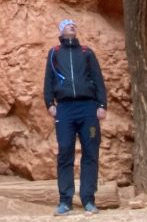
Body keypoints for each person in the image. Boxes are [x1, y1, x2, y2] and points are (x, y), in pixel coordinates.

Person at [44, 18, 107, 216]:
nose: (71, 26)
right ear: (61, 32)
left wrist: (102, 104)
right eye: (66, 25)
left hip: (88, 108)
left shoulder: (86, 52)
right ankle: (65, 201)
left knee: (90, 152)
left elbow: (98, 79)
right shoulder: (54, 53)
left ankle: (88, 200)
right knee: (65, 152)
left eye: (73, 25)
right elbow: (49, 80)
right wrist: (49, 104)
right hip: (65, 110)